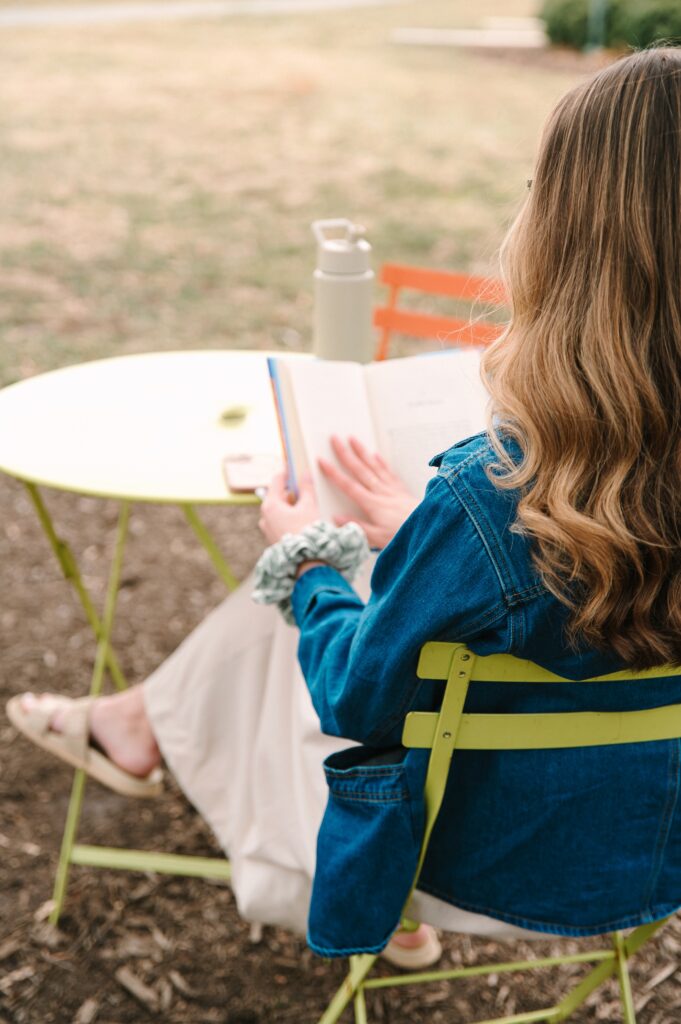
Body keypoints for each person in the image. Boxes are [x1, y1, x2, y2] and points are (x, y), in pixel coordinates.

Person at [8, 46, 681, 958]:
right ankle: (137, 718)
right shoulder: (490, 518)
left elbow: (353, 700)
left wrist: (305, 562)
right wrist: (419, 539)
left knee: (308, 609)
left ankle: (147, 727)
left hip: (472, 860)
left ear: (562, 239)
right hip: (653, 854)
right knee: (361, 583)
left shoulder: (492, 499)